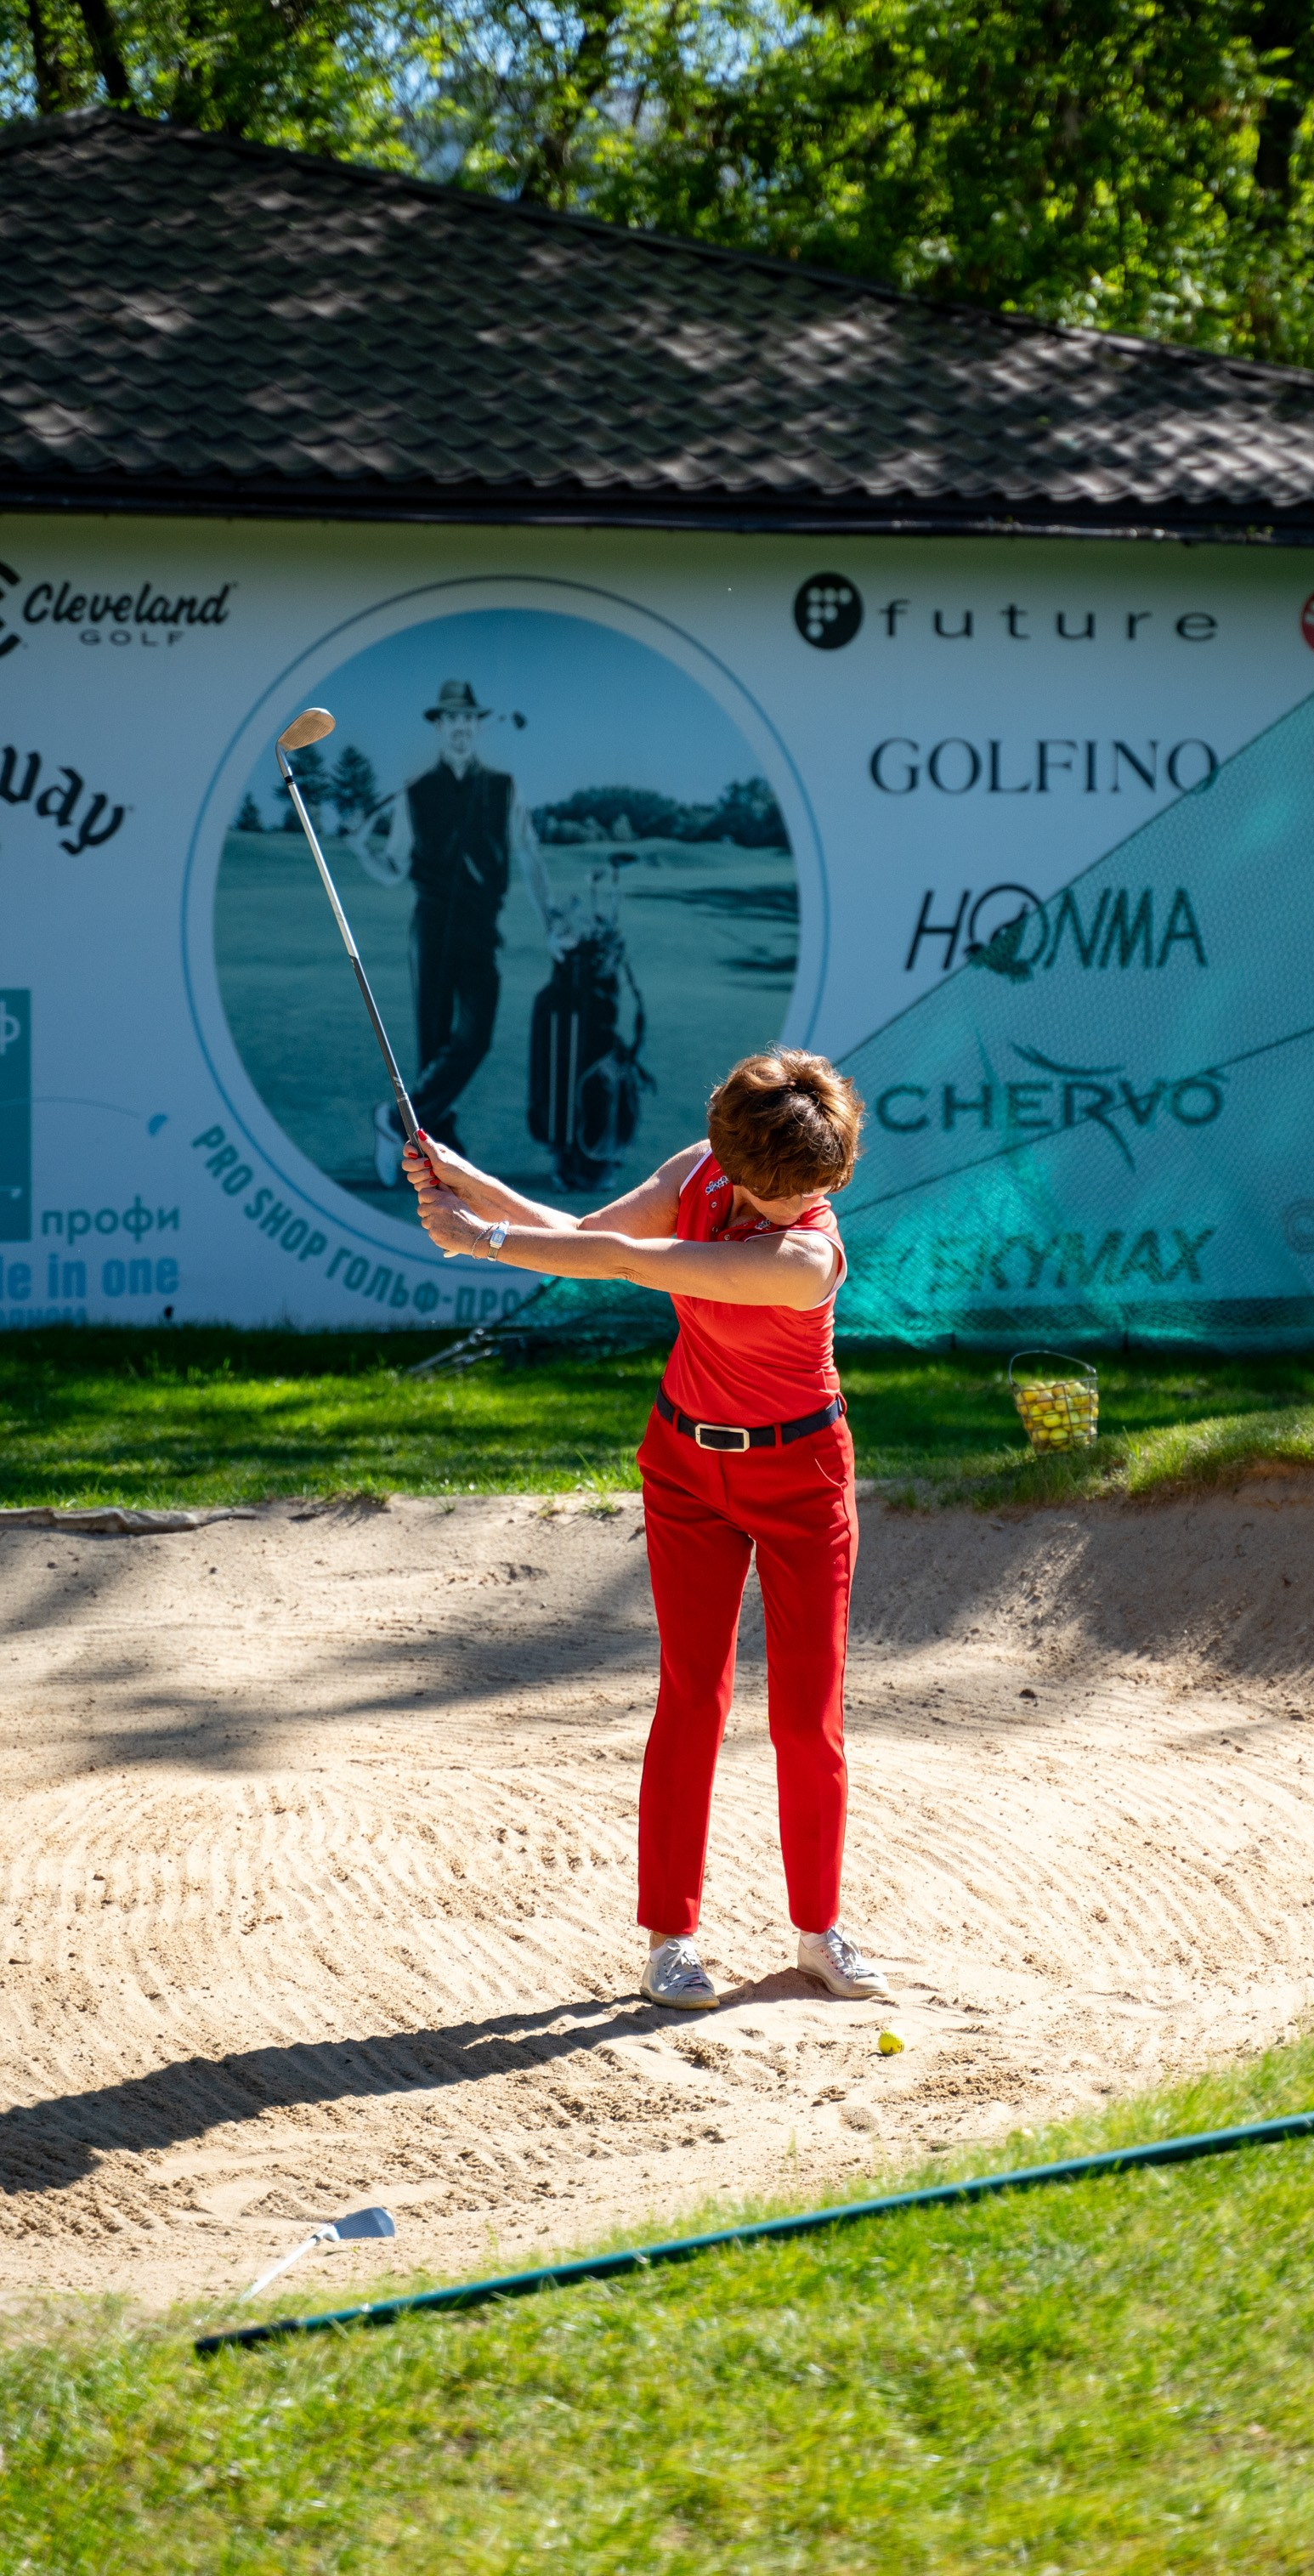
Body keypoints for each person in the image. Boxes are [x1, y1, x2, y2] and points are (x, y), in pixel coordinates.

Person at [403, 1049, 885, 2011]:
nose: (802, 1202)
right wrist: (471, 1186)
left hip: (801, 1477)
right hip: (684, 1469)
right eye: (782, 1188)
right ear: (732, 1164)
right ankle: (671, 1941)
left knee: (804, 1714)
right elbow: (588, 1238)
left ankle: (818, 1931)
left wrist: (478, 1239)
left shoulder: (805, 1257)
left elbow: (622, 1266)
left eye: (818, 1186)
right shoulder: (697, 1172)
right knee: (691, 1697)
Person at [348, 678, 558, 1180]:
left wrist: (550, 920)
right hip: (431, 927)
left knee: (475, 1036)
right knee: (434, 1042)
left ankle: (395, 1123)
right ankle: (439, 1150)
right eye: (451, 720)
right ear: (439, 728)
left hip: (480, 926)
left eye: (468, 719)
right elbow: (396, 869)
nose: (460, 728)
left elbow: (529, 856)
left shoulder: (504, 787)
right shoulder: (416, 794)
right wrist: (361, 851)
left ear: (476, 726)